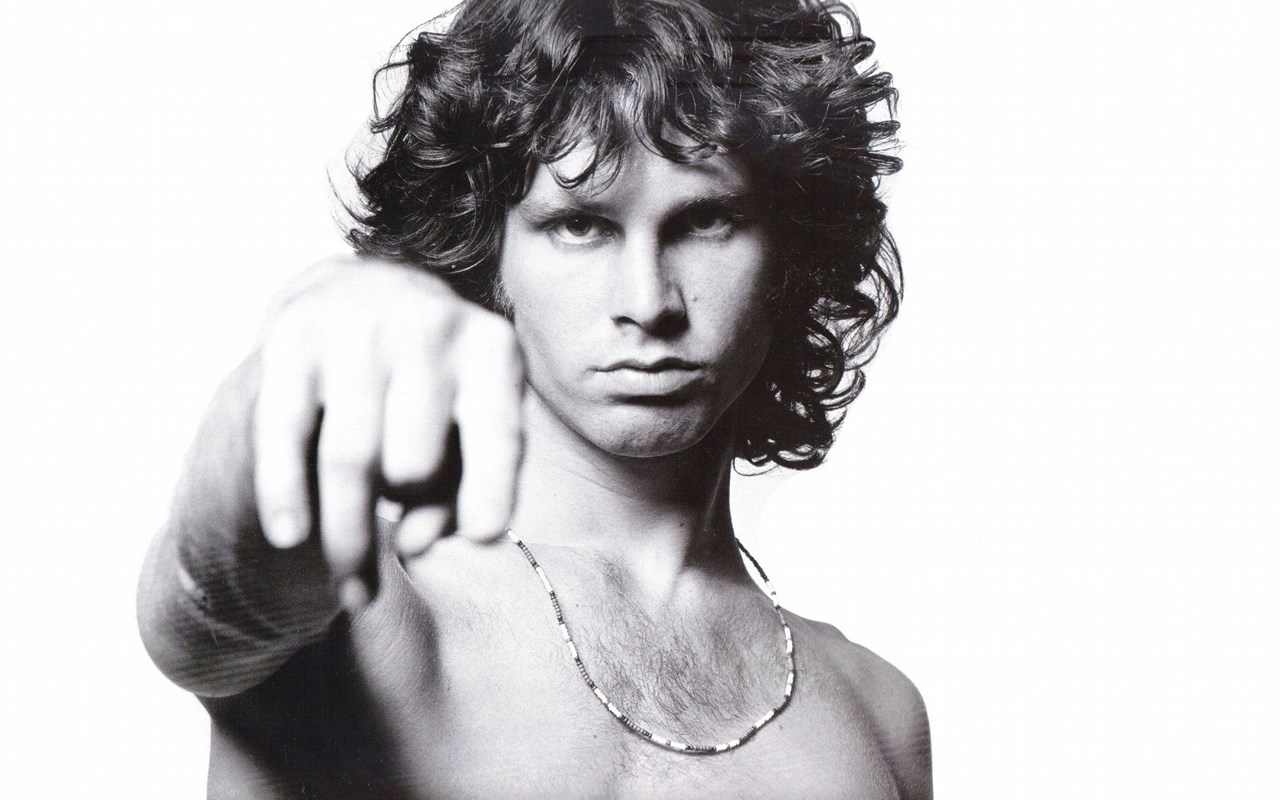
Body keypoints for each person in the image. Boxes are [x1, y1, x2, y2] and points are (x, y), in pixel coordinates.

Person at [137, 0, 932, 796]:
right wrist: (291, 377)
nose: (648, 301)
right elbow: (206, 610)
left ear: (792, 253)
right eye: (581, 225)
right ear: (487, 258)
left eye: (707, 219)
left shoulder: (876, 715)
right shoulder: (369, 616)